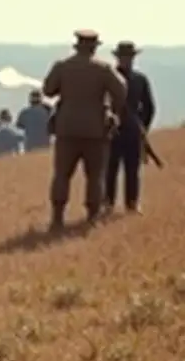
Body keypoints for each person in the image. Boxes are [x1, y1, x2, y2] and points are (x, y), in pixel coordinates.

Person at [41, 30, 128, 231]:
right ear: (95, 47)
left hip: (66, 129)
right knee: (95, 175)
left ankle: (57, 218)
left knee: (62, 175)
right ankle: (92, 217)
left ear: (77, 46)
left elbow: (48, 90)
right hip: (95, 130)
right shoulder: (104, 69)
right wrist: (111, 109)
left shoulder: (62, 66)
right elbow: (121, 90)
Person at [104, 40, 157, 214]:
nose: (126, 60)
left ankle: (131, 204)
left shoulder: (139, 79)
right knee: (110, 169)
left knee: (131, 170)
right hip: (112, 130)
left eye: (129, 57)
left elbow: (149, 107)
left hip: (130, 131)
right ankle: (109, 204)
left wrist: (142, 127)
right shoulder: (118, 78)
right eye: (124, 57)